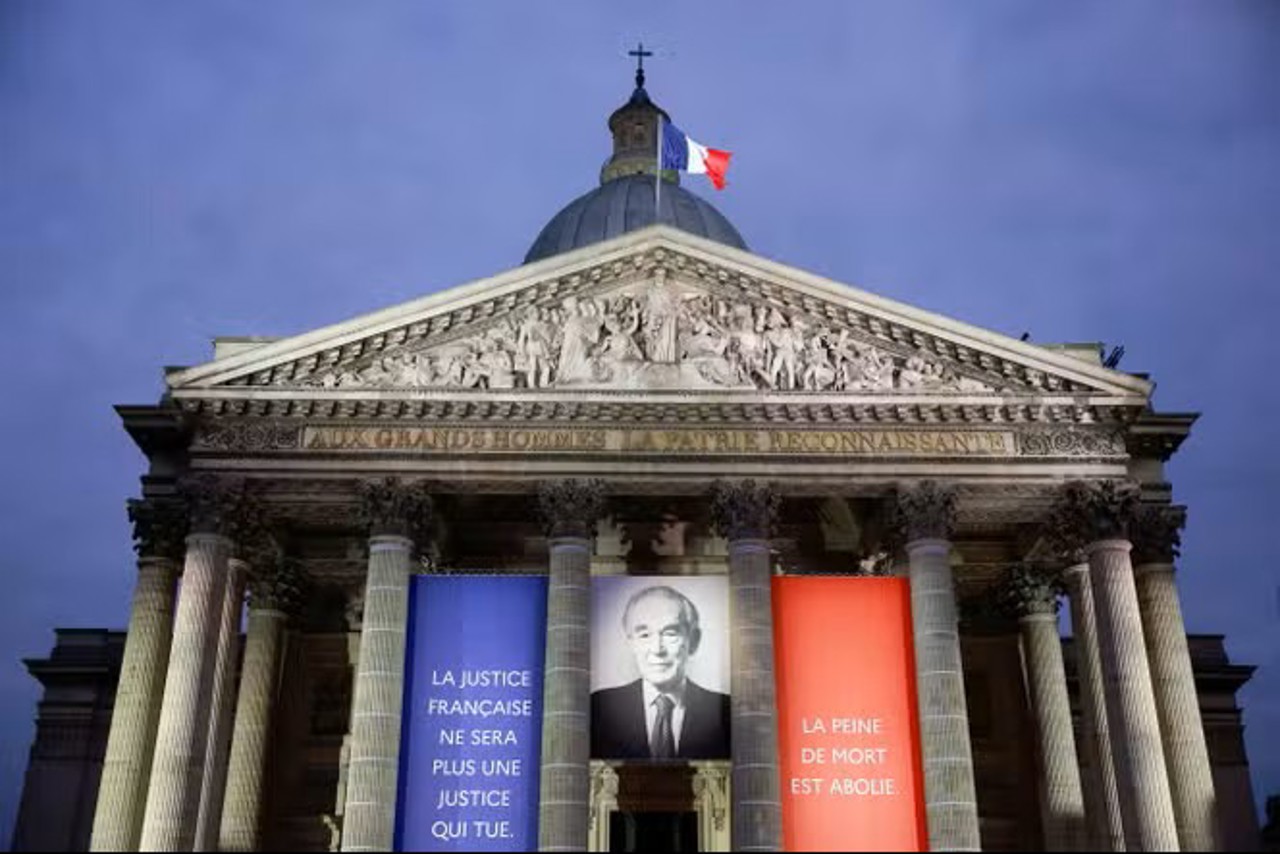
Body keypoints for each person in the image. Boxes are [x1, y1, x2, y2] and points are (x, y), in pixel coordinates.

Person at [591, 585, 731, 760]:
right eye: (644, 635)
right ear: (630, 643)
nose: (657, 649)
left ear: (693, 641)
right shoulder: (597, 709)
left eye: (670, 633)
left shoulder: (727, 713)